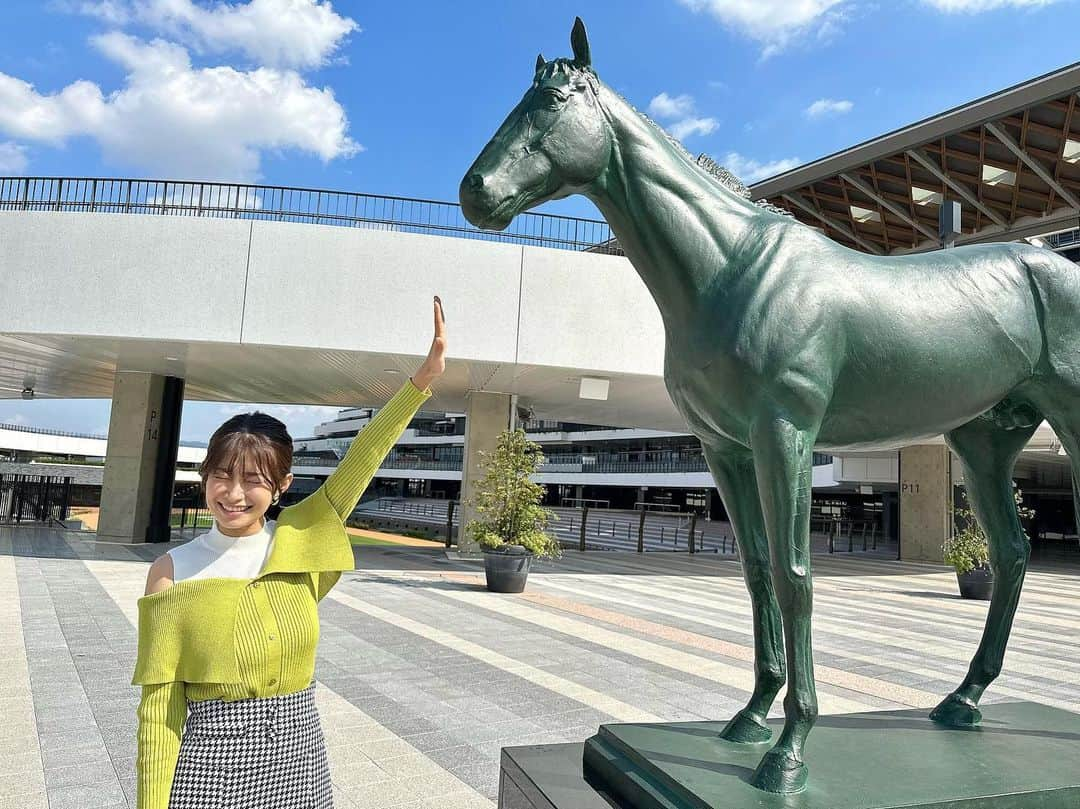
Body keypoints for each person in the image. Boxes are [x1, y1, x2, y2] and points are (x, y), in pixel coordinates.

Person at [133, 297, 447, 809]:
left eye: (252, 481)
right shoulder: (171, 574)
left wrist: (422, 379)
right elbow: (159, 711)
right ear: (204, 477)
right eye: (220, 476)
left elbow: (361, 458)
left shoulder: (298, 540)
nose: (232, 494)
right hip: (211, 772)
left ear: (281, 486)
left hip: (302, 764)